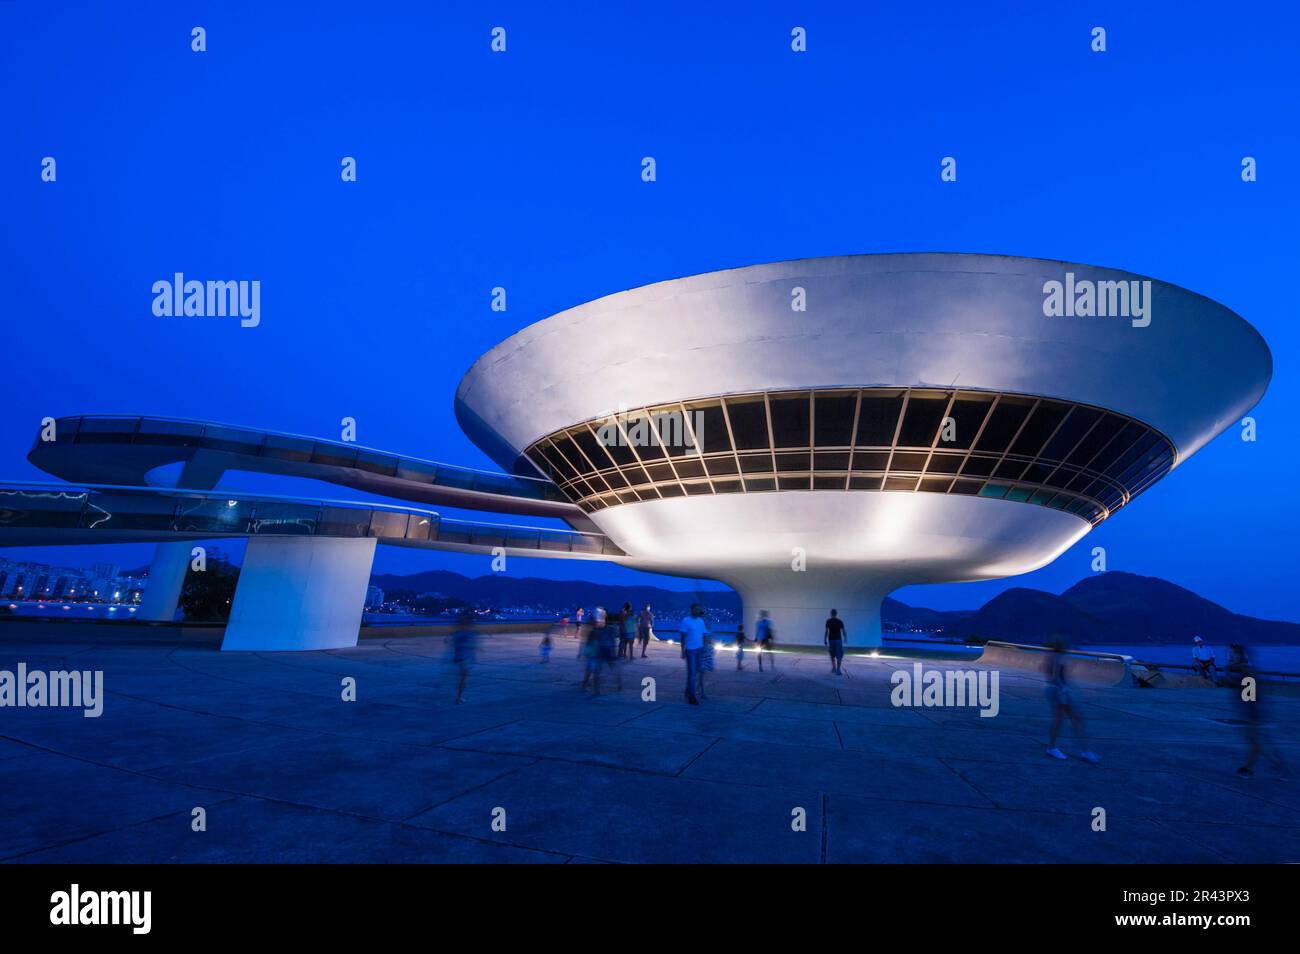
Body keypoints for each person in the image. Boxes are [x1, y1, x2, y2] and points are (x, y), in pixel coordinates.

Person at [1228, 643, 1289, 778]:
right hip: (1253, 713)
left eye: (1233, 655)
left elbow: (1249, 695)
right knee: (1258, 742)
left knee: (1257, 743)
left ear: (1240, 657)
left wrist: (1230, 675)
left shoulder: (1247, 671)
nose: (1230, 658)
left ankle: (1250, 769)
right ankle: (1253, 768)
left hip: (1254, 714)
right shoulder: (1246, 670)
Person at [1044, 637, 1099, 763]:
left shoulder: (1050, 655)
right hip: (1059, 691)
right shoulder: (1058, 657)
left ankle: (1054, 747)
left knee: (1063, 720)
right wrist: (1063, 690)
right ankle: (1084, 751)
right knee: (1073, 719)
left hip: (1054, 690)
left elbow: (1049, 674)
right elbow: (1055, 676)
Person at [679, 603, 707, 705]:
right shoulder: (686, 621)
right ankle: (692, 696)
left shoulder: (701, 621)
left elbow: (704, 634)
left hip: (699, 649)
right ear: (691, 610)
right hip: (690, 650)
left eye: (699, 609)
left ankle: (688, 690)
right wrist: (682, 651)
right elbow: (682, 637)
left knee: (696, 672)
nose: (697, 611)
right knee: (692, 674)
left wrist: (704, 647)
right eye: (696, 609)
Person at [451, 610, 477, 704]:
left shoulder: (458, 633)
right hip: (465, 658)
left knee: (461, 678)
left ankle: (459, 696)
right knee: (463, 678)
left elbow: (454, 644)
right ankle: (459, 697)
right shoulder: (468, 634)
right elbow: (470, 646)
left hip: (459, 657)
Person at [824, 609, 847, 675]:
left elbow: (826, 631)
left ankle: (834, 668)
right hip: (838, 640)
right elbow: (843, 631)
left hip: (831, 640)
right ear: (836, 614)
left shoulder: (828, 621)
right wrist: (845, 638)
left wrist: (825, 640)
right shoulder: (840, 621)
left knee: (832, 654)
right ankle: (838, 669)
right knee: (839, 655)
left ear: (831, 614)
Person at [698, 624, 715, 699]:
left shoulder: (705, 632)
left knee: (702, 675)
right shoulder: (706, 633)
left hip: (706, 655)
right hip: (705, 656)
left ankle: (699, 689)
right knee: (703, 675)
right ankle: (702, 692)